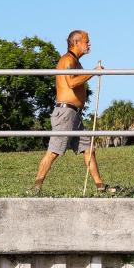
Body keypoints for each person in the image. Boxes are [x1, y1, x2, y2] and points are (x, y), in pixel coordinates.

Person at [32, 30, 110, 195]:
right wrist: (93, 73)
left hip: (75, 115)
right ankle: (36, 188)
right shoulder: (67, 60)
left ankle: (100, 186)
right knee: (53, 152)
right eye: (86, 41)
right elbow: (72, 82)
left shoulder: (76, 61)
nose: (89, 44)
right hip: (65, 113)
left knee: (88, 149)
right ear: (76, 43)